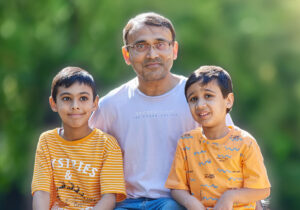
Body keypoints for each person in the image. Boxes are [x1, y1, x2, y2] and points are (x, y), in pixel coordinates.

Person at [89, 12, 233, 209]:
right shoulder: (111, 105)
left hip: (181, 202)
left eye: (160, 44)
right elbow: (83, 153)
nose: (152, 54)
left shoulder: (198, 99)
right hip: (126, 202)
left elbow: (233, 151)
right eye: (140, 46)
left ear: (174, 50)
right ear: (126, 55)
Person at [165, 65, 271, 209]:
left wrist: (230, 197)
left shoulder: (245, 143)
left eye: (208, 96)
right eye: (193, 99)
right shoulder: (186, 142)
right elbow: (176, 187)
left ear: (228, 100)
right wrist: (192, 203)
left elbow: (262, 190)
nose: (200, 105)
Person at [32, 67, 126, 210]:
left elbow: (109, 198)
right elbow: (41, 192)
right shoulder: (47, 141)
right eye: (66, 99)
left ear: (95, 103)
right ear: (53, 103)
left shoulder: (107, 145)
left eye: (83, 98)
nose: (75, 106)